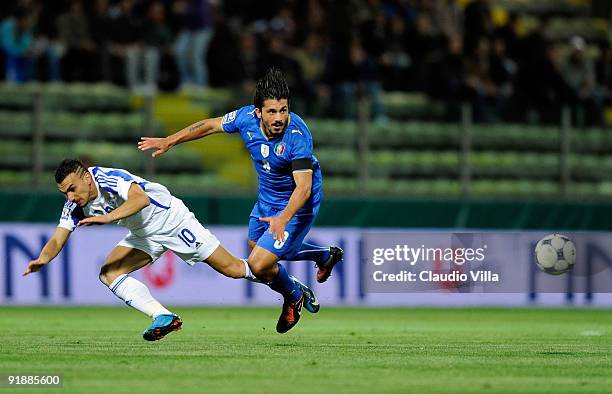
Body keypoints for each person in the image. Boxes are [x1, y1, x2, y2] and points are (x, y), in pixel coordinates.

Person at [139, 68, 343, 333]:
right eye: (272, 111)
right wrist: (171, 140)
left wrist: (283, 218)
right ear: (258, 112)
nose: (279, 117)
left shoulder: (297, 135)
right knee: (265, 259)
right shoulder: (245, 117)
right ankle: (324, 257)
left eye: (284, 110)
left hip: (297, 204)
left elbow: (303, 188)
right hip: (267, 200)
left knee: (259, 263)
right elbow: (210, 125)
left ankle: (293, 295)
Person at [22, 159, 318, 340]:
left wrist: (108, 217)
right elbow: (59, 237)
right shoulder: (74, 203)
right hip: (143, 232)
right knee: (109, 272)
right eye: (65, 193)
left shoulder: (109, 179)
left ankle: (291, 287)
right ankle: (164, 317)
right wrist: (42, 259)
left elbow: (141, 200)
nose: (71, 197)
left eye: (73, 188)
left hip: (171, 220)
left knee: (236, 269)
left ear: (86, 177)